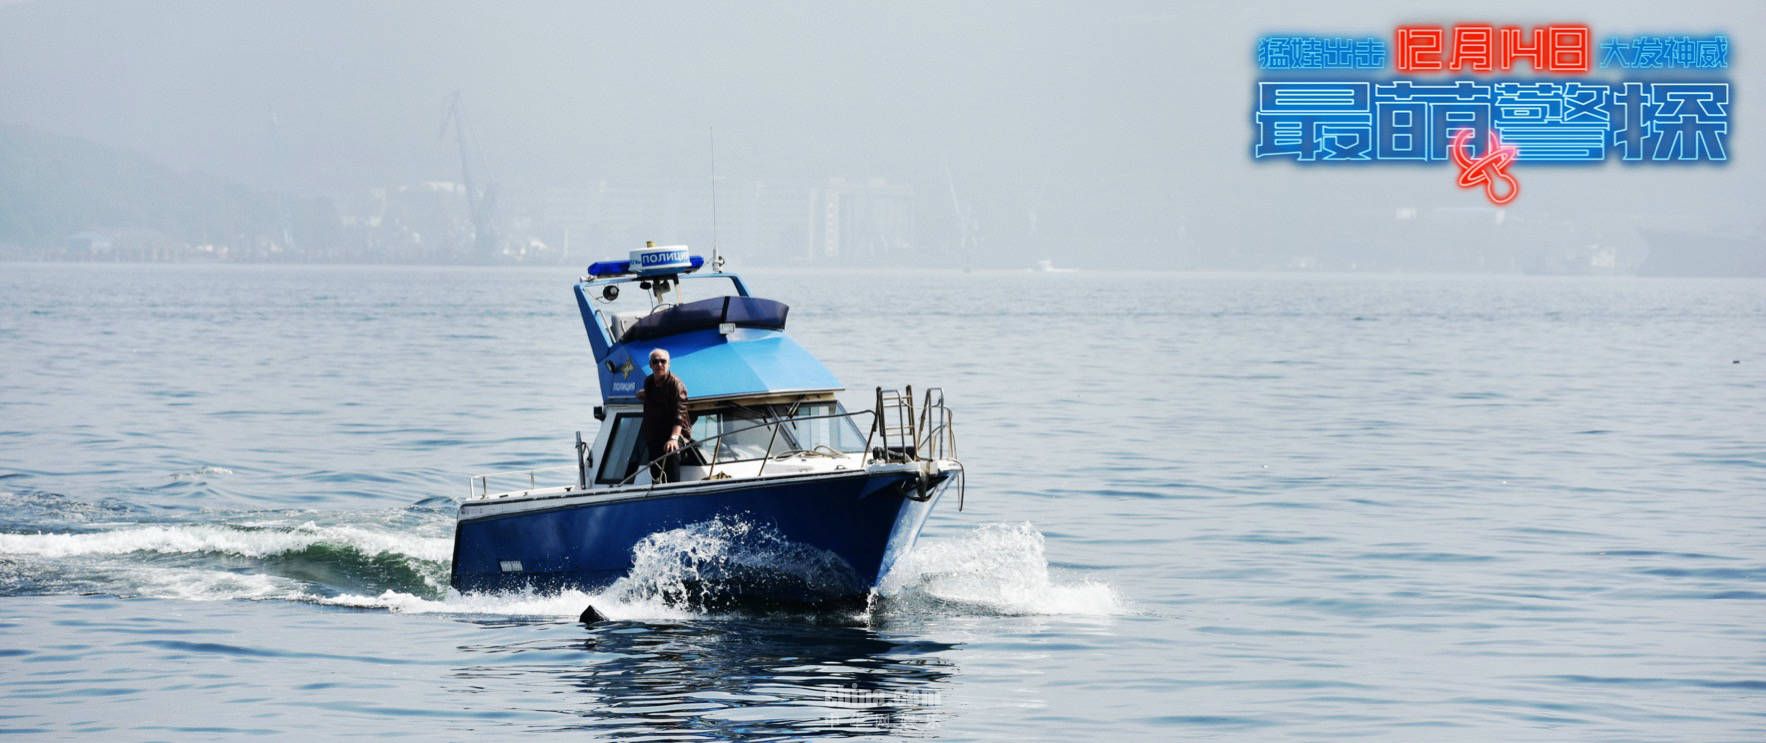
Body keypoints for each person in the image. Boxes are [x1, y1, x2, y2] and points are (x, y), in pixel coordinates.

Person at [635, 348, 689, 483]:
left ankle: (674, 490)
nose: (659, 365)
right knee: (655, 466)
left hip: (676, 433)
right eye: (655, 361)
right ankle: (657, 489)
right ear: (650, 365)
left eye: (663, 361)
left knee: (671, 451)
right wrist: (643, 394)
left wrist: (674, 438)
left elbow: (680, 414)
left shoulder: (676, 385)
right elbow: (652, 394)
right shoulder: (649, 382)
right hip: (655, 434)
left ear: (668, 364)